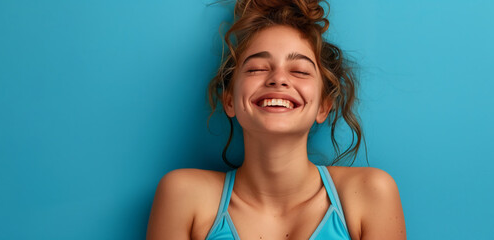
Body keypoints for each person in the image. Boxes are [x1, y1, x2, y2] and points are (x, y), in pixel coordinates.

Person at [147, 0, 405, 239]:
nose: (278, 79)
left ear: (323, 107)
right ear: (229, 101)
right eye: (257, 68)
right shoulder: (183, 195)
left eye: (300, 71)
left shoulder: (371, 193)